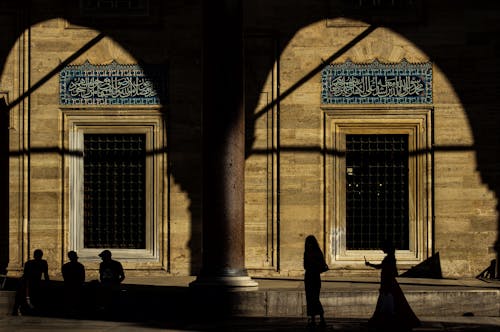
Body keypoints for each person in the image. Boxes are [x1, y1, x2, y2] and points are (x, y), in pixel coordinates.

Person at [365, 240, 420, 331]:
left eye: (383, 247)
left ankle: (386, 321)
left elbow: (388, 270)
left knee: (389, 303)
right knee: (389, 302)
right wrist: (370, 264)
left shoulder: (389, 258)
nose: (382, 249)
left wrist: (370, 265)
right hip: (388, 282)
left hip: (388, 283)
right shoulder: (390, 258)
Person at [13, 249, 50, 315]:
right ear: (41, 255)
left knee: (21, 296)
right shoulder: (43, 263)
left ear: (34, 255)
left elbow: (25, 274)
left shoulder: (28, 263)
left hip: (28, 281)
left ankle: (16, 309)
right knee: (33, 298)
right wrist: (48, 283)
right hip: (35, 282)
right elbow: (46, 275)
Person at [303, 235, 329, 329]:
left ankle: (320, 319)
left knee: (314, 298)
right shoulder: (316, 252)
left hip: (312, 277)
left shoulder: (308, 253)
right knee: (311, 299)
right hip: (313, 277)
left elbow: (305, 266)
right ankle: (316, 320)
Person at [62, 251, 85, 315]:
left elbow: (65, 277)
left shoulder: (65, 266)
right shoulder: (80, 266)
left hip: (69, 285)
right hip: (77, 286)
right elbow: (82, 278)